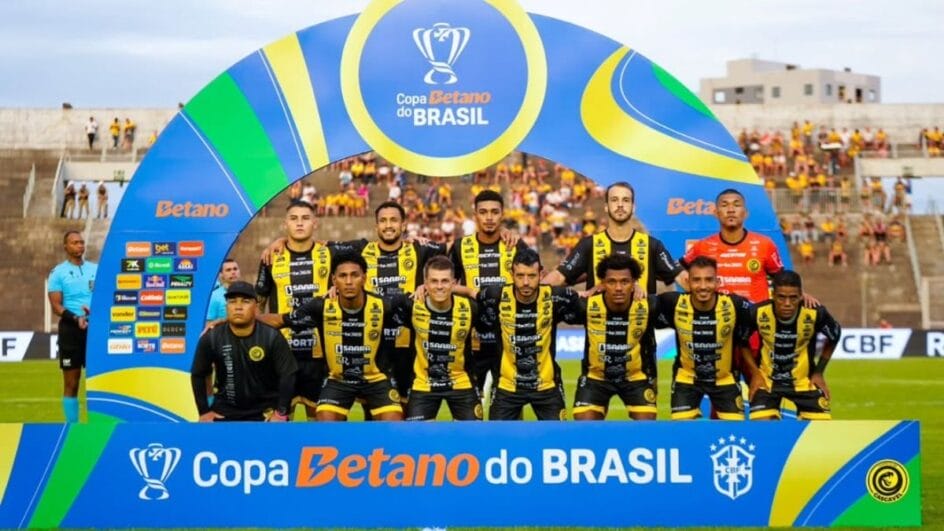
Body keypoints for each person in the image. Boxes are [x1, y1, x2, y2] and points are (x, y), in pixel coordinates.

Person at [257, 253, 410, 421]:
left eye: (355, 275)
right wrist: (232, 319)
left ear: (364, 278)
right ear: (334, 280)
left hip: (376, 380)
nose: (349, 282)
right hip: (339, 381)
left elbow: (421, 309)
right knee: (325, 419)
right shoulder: (320, 306)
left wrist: (422, 290)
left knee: (394, 420)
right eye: (343, 276)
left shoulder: (384, 305)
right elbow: (280, 320)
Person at [472, 249, 581, 420]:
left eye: (531, 276)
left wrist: (600, 287)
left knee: (558, 439)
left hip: (547, 387)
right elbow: (472, 296)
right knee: (498, 440)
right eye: (520, 275)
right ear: (511, 274)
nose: (525, 282)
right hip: (506, 387)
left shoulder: (556, 297)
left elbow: (592, 306)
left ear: (541, 274)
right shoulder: (496, 295)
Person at [256, 201, 333, 419]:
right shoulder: (271, 258)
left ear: (315, 223)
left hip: (319, 357)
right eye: (294, 218)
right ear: (285, 224)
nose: (299, 223)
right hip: (281, 356)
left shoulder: (329, 254)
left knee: (320, 424)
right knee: (278, 421)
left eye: (305, 218)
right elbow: (259, 303)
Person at [449, 190, 530, 396]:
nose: (489, 217)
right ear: (475, 214)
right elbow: (444, 284)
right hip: (472, 339)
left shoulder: (515, 245)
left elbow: (535, 280)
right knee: (469, 411)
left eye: (494, 212)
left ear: (502, 215)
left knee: (507, 410)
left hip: (509, 340)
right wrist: (470, 291)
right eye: (483, 212)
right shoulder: (460, 246)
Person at [543, 181, 686, 295]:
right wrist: (530, 293)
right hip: (599, 328)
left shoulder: (652, 245)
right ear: (606, 206)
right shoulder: (589, 245)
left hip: (641, 329)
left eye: (625, 200)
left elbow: (681, 277)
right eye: (614, 200)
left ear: (633, 207)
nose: (620, 205)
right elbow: (559, 276)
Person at [656, 256, 753, 420]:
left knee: (734, 433)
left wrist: (802, 298)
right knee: (684, 432)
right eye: (696, 280)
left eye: (708, 280)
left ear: (717, 282)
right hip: (686, 379)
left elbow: (768, 313)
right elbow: (635, 305)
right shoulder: (672, 303)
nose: (702, 286)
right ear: (688, 282)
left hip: (725, 380)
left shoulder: (735, 305)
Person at [570, 254, 663, 420]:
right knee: (583, 428)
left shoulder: (650, 305)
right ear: (603, 283)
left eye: (625, 282)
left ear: (634, 283)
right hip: (595, 379)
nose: (618, 288)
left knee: (647, 428)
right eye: (612, 282)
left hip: (635, 378)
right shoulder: (586, 306)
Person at [191, 281, 297, 421]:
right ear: (226, 306)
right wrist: (204, 411)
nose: (238, 307)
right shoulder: (212, 337)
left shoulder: (272, 337)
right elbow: (198, 374)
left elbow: (288, 374)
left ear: (256, 306)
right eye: (232, 302)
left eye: (245, 301)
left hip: (265, 413)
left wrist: (280, 413)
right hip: (225, 412)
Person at [743, 271, 841, 420]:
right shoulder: (757, 312)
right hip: (767, 382)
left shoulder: (815, 313)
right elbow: (741, 340)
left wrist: (819, 372)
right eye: (781, 297)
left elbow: (835, 335)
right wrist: (755, 374)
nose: (787, 303)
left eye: (793, 298)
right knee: (762, 431)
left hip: (804, 382)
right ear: (773, 295)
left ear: (801, 295)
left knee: (819, 432)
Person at [399, 256, 481, 420]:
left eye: (445, 281)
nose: (439, 286)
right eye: (434, 281)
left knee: (474, 437)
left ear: (453, 283)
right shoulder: (410, 305)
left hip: (460, 382)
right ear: (425, 283)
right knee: (416, 440)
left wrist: (470, 291)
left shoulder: (471, 307)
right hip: (423, 383)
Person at [47, 230, 97, 422]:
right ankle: (72, 427)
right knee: (71, 383)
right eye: (75, 243)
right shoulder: (57, 273)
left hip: (94, 331)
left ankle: (100, 424)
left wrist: (95, 312)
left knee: (98, 381)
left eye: (82, 242)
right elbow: (56, 306)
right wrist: (76, 318)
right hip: (71, 330)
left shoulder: (95, 269)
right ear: (65, 246)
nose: (80, 246)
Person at [206, 258, 240, 323]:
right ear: (221, 275)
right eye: (228, 270)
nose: (233, 272)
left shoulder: (246, 292)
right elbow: (208, 324)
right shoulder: (214, 296)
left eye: (235, 269)